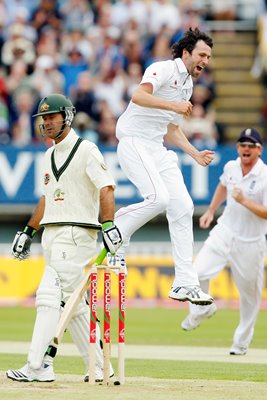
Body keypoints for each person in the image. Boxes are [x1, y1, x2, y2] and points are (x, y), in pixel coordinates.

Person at [6, 93, 122, 382]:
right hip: (52, 234)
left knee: (48, 296)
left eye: (51, 117)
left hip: (77, 233)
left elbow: (106, 188)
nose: (46, 123)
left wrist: (108, 224)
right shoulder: (48, 155)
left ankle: (38, 365)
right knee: (75, 305)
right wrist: (29, 230)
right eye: (43, 118)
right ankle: (100, 366)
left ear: (66, 117)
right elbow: (47, 199)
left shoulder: (87, 149)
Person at [110, 27, 215, 305]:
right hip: (134, 141)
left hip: (157, 147)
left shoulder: (188, 85)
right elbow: (138, 96)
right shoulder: (164, 69)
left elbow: (171, 128)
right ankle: (119, 226)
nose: (205, 61)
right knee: (159, 199)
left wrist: (194, 154)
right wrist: (175, 106)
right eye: (202, 54)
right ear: (186, 53)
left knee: (183, 206)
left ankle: (184, 283)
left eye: (208, 56)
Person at [181, 128, 267, 355]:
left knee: (249, 297)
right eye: (242, 145)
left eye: (251, 145)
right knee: (196, 273)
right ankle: (202, 309)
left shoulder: (265, 175)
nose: (245, 149)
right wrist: (211, 210)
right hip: (225, 231)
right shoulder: (231, 167)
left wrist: (244, 200)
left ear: (259, 149)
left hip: (250, 241)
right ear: (238, 148)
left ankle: (240, 343)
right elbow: (222, 185)